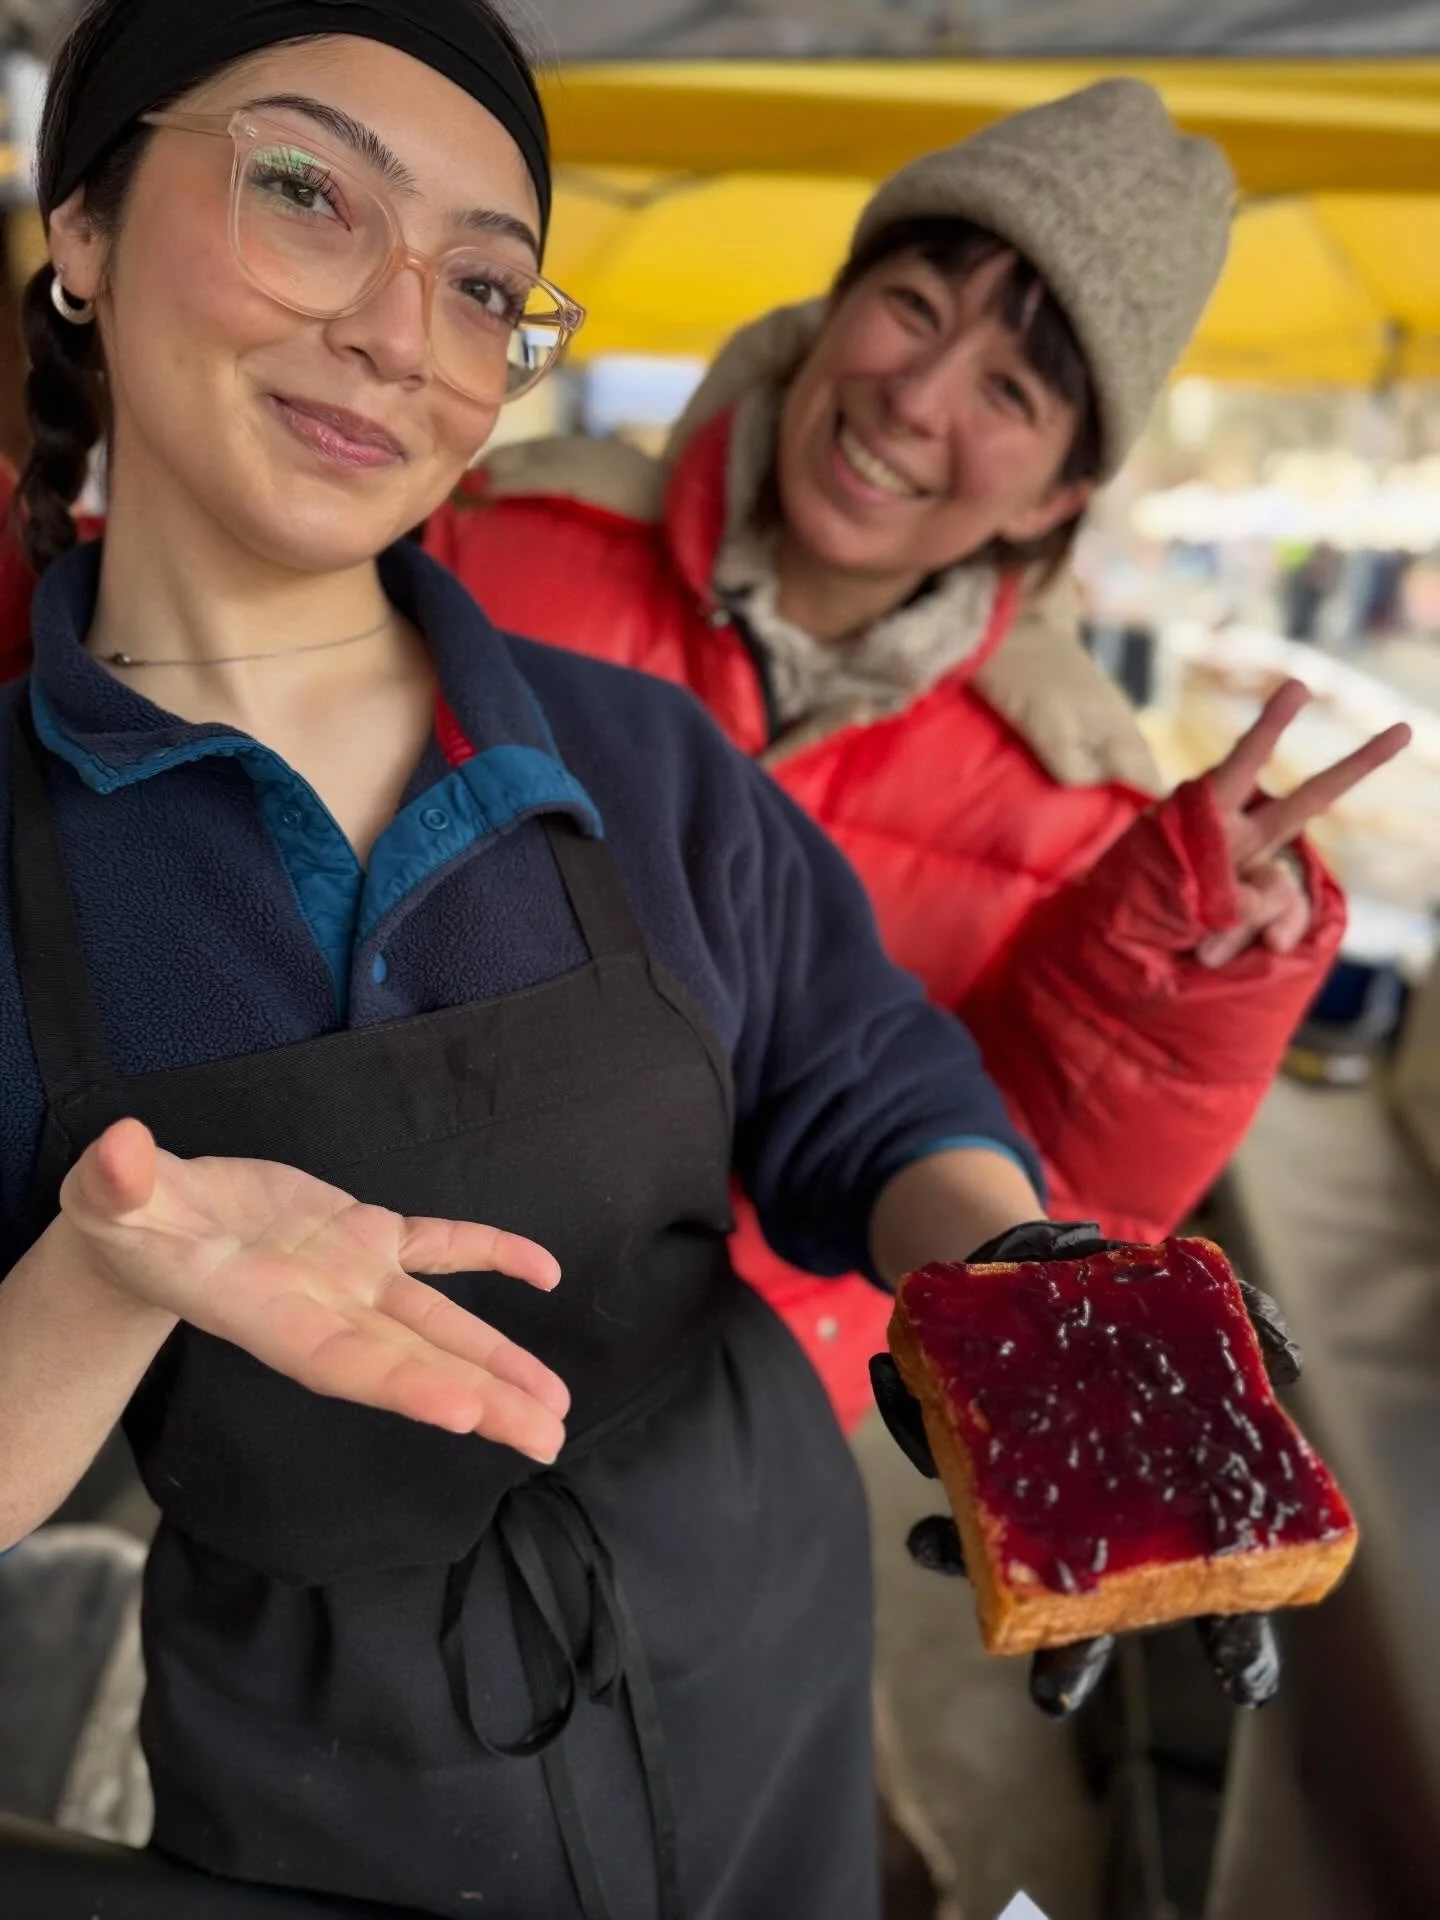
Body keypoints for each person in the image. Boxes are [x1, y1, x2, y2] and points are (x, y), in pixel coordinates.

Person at [0, 4, 1070, 1915]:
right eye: (308, 193)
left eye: (487, 285)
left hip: (771, 1662)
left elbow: (869, 1080)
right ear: (76, 225)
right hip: (342, 1787)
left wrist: (1030, 1291)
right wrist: (97, 1276)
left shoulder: (634, 760)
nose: (403, 334)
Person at [421, 80, 1410, 1434]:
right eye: (912, 308)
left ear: (1064, 490)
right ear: (835, 304)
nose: (917, 397)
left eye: (1008, 387)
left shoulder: (1077, 800)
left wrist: (1179, 976)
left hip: (734, 1442)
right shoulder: (483, 544)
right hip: (367, 1348)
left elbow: (1042, 1192)